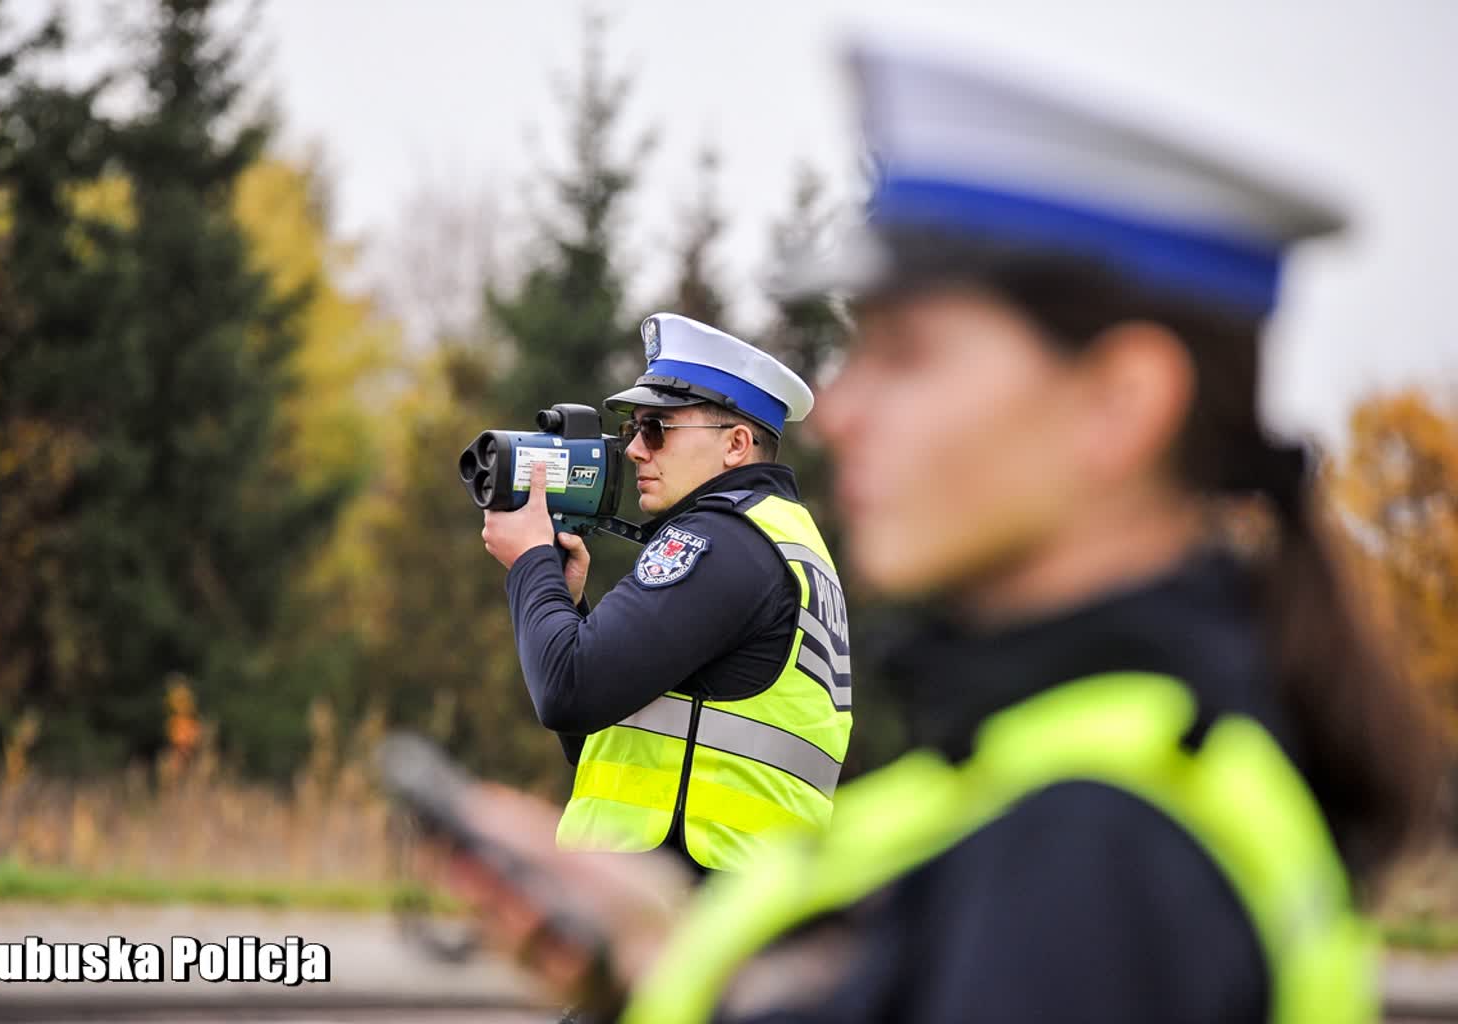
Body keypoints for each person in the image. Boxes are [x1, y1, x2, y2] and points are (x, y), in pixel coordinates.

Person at [434, 39, 1439, 1024]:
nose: (837, 412)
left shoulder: (1094, 853)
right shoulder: (1067, 775)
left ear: (1120, 404)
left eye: (907, 355)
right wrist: (658, 963)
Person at [479, 312, 854, 874]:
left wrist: (530, 560)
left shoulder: (720, 540)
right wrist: (568, 602)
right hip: (741, 894)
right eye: (634, 429)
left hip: (688, 899)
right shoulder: (785, 541)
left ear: (736, 445)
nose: (634, 450)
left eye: (657, 429)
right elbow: (607, 734)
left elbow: (567, 690)